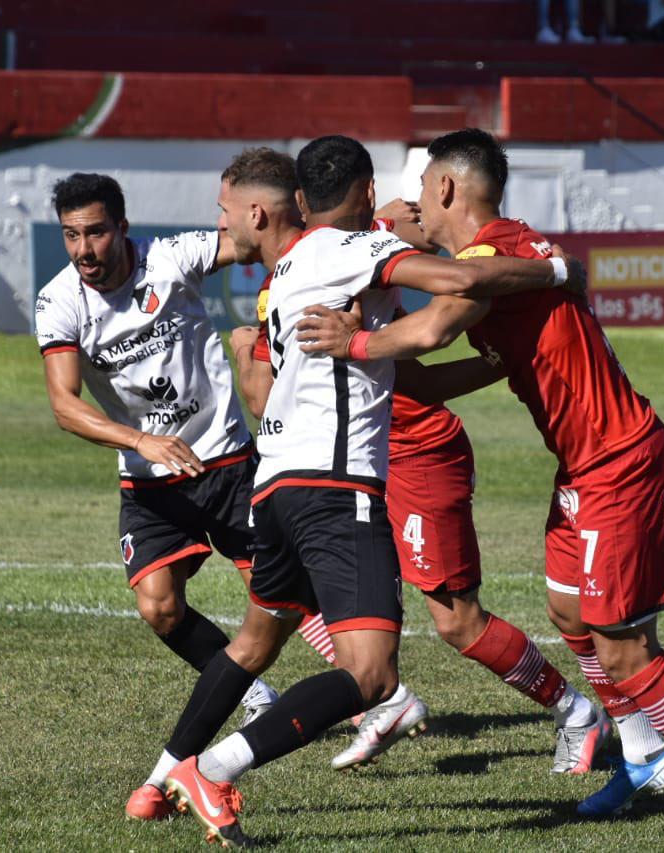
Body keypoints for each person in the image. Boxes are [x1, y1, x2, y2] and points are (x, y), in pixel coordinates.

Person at [297, 128, 664, 834]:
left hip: (622, 462)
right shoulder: (504, 252)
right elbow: (437, 349)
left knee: (620, 643)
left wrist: (357, 343)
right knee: (568, 610)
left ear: (450, 188)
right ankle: (645, 752)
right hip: (585, 465)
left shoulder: (495, 256)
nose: (415, 201)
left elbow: (431, 329)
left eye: (424, 186)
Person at [160, 135, 583, 847]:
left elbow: (394, 374)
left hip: (298, 480)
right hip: (339, 482)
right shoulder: (349, 249)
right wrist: (555, 270)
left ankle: (161, 774)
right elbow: (454, 290)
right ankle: (214, 766)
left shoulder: (304, 262)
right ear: (356, 192)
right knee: (381, 664)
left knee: (261, 642)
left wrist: (486, 364)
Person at [230, 166, 612, 775]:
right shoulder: (280, 283)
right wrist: (247, 348)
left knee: (457, 621)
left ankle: (575, 711)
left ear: (275, 210)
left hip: (413, 450)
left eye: (229, 214)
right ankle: (381, 695)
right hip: (338, 465)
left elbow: (459, 261)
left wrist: (536, 294)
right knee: (290, 591)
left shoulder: (379, 231)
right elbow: (260, 401)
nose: (224, 231)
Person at [34, 171, 323, 823]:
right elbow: (63, 404)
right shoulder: (59, 302)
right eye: (72, 235)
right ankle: (257, 696)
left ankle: (374, 695)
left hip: (224, 461)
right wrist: (142, 440)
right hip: (150, 479)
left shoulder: (171, 258)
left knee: (282, 592)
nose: (85, 248)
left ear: (123, 227)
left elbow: (255, 240)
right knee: (159, 606)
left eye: (96, 231)